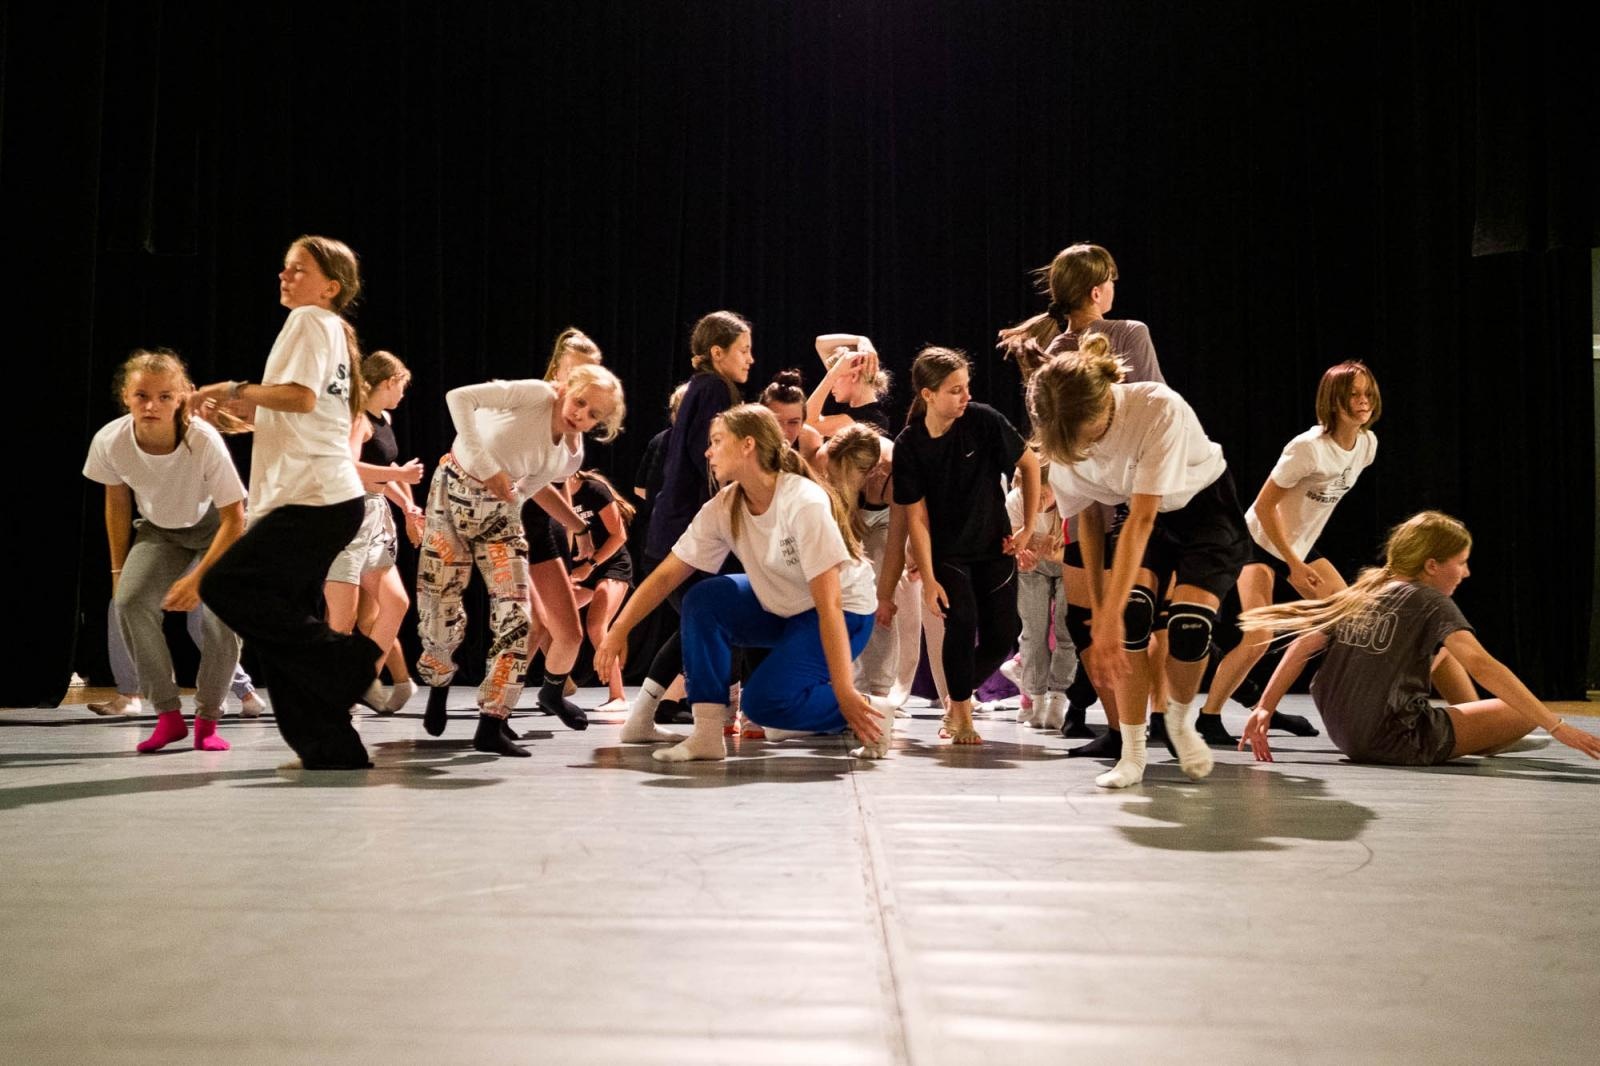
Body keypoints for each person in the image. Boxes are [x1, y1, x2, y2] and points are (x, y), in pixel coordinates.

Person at [597, 405, 890, 762]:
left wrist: (845, 691)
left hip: (843, 613)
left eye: (717, 441)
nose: (708, 451)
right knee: (705, 599)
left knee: (765, 704)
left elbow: (828, 604)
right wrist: (618, 630)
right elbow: (668, 574)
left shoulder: (803, 501)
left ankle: (872, 709)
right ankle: (706, 734)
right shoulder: (727, 504)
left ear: (748, 444)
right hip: (784, 606)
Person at [193, 234, 383, 770]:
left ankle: (351, 665)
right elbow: (294, 411)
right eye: (284, 268)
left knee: (225, 585)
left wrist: (231, 387)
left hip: (315, 497)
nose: (285, 276)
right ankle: (329, 746)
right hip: (317, 496)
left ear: (331, 287)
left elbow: (297, 398)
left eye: (298, 270)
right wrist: (232, 415)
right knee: (281, 626)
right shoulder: (325, 330)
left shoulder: (308, 322)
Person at [1028, 334, 1251, 788]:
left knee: (1190, 627)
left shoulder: (1155, 408)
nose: (1081, 447)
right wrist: (1102, 606)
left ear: (1101, 407)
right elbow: (1087, 520)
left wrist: (1107, 615)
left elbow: (1145, 517)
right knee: (1131, 615)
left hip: (1204, 510)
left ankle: (1181, 722)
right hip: (1139, 514)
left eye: (1085, 434)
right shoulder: (1063, 437)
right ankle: (1131, 756)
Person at [1237, 511, 1600, 765]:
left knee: (1444, 652)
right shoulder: (1431, 602)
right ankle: (1486, 739)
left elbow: (1303, 645)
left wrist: (1265, 706)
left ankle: (1479, 733)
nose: (1467, 572)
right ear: (1431, 565)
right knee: (1524, 712)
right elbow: (1481, 664)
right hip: (1398, 740)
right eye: (1461, 562)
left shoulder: (1365, 589)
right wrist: (1558, 726)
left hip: (1346, 735)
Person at [998, 242, 1163, 750]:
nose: (1114, 289)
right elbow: (1154, 405)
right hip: (1113, 498)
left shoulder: (1060, 351)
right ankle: (1130, 727)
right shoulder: (1128, 334)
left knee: (1111, 616)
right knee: (1104, 617)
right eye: (1110, 280)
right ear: (1097, 290)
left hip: (1099, 499)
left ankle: (1134, 725)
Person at [415, 362, 625, 756]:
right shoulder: (535, 395)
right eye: (580, 402)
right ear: (566, 389)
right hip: (452, 491)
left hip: (501, 512)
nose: (581, 415)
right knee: (439, 605)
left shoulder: (571, 457)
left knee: (518, 617)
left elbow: (528, 486)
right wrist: (488, 467)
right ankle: (439, 685)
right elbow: (458, 398)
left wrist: (507, 496)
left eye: (593, 414)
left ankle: (492, 721)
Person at [1198, 361, 1382, 744]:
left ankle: (1357, 707)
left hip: (1298, 544)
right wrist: (1293, 564)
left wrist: (1300, 555)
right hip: (1256, 542)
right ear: (1335, 401)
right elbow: (1265, 507)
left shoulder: (1366, 446)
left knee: (1352, 621)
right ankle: (1208, 718)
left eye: (1367, 394)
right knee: (1259, 637)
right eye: (1354, 395)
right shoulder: (1307, 449)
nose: (1363, 402)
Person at [84, 348, 249, 752]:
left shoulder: (202, 439)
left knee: (220, 620)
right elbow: (117, 503)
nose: (152, 405)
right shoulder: (111, 440)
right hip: (160, 530)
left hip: (216, 528)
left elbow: (235, 518)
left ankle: (207, 720)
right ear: (126, 396)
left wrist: (197, 579)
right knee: (129, 601)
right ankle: (169, 716)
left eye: (164, 396)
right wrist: (118, 571)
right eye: (142, 395)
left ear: (181, 398)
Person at [879, 347, 1040, 745]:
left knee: (1003, 635)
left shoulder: (984, 420)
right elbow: (914, 516)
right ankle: (962, 716)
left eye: (966, 388)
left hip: (994, 547)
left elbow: (1031, 464)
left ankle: (954, 701)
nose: (965, 396)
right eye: (955, 390)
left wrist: (1028, 528)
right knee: (961, 621)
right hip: (948, 552)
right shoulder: (910, 443)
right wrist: (929, 578)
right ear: (928, 394)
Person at [621, 311, 753, 741]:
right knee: (710, 620)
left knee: (699, 622)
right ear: (718, 353)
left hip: (679, 530)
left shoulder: (703, 388)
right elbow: (711, 458)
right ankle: (704, 724)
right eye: (744, 350)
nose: (751, 359)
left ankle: (646, 719)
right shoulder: (714, 388)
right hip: (688, 534)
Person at [323, 350, 425, 713]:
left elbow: (383, 467)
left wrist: (407, 505)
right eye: (401, 386)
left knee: (395, 603)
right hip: (351, 514)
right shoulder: (358, 418)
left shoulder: (385, 418)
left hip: (376, 513)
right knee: (343, 618)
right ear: (388, 382)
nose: (402, 393)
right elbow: (348, 465)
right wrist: (399, 477)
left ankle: (360, 682)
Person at [1008, 454, 1078, 732]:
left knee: (1065, 630)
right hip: (1033, 569)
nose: (1035, 502)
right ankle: (1035, 701)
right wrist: (1022, 555)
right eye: (1030, 493)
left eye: (1043, 493)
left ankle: (1058, 699)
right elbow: (1017, 543)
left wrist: (1055, 554)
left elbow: (1078, 551)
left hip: (1067, 568)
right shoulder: (1015, 501)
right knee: (1033, 631)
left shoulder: (1071, 501)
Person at [559, 468, 636, 713]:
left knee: (595, 625)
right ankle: (562, 680)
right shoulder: (553, 493)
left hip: (610, 563)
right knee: (549, 618)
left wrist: (590, 566)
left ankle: (618, 695)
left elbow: (619, 536)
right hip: (581, 568)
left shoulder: (594, 490)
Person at [807, 334, 893, 435]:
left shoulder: (869, 420)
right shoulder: (861, 411)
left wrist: (833, 375)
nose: (831, 385)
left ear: (854, 375)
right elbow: (820, 343)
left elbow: (807, 423)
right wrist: (861, 340)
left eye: (836, 376)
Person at [760, 369, 824, 468]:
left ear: (802, 423)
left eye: (793, 422)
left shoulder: (808, 440)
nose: (784, 431)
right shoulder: (746, 441)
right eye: (776, 422)